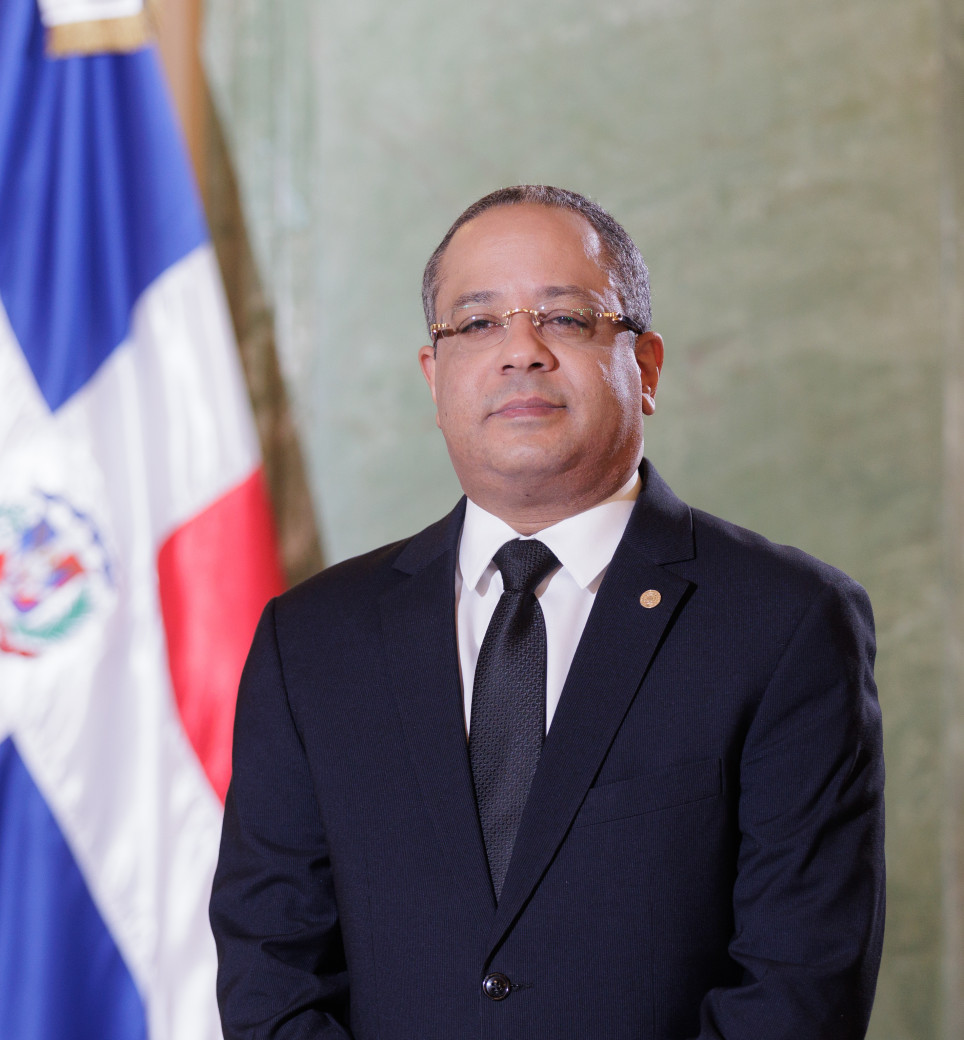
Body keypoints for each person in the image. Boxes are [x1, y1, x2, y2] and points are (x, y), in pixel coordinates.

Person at [209, 185, 885, 1039]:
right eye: (477, 323)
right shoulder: (311, 640)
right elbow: (271, 970)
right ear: (434, 377)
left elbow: (799, 989)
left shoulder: (786, 623)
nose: (520, 352)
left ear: (646, 368)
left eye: (566, 318)